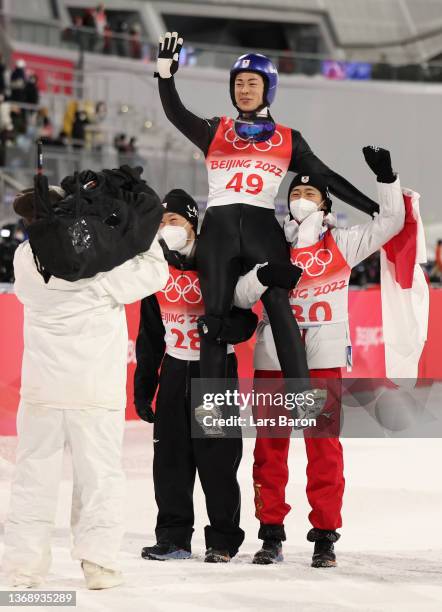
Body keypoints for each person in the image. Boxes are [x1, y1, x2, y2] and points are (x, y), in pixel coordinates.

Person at [155, 32, 380, 408]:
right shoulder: (216, 130)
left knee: (279, 303)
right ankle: (212, 410)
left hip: (262, 229)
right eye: (238, 84)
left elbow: (328, 178)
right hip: (220, 233)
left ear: (268, 88)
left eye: (252, 83)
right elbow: (177, 114)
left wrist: (372, 207)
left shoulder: (289, 139)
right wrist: (165, 76)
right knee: (214, 317)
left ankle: (301, 396)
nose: (243, 90)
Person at [234, 146, 406, 567]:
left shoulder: (343, 244)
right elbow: (238, 295)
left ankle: (325, 534)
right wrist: (261, 276)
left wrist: (386, 180)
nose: (302, 201)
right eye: (296, 194)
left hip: (323, 358)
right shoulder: (270, 245)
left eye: (311, 196)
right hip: (274, 356)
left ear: (326, 206)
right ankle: (271, 532)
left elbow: (391, 222)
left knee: (323, 449)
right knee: (269, 450)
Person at [2, 181, 168, 589]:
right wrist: (139, 227)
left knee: (32, 478)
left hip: (42, 391)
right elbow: (155, 272)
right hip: (94, 390)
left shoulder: (26, 258)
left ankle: (24, 567)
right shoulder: (96, 258)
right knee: (100, 479)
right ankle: (99, 564)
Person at [135, 189, 257, 563]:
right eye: (160, 223)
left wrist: (220, 329)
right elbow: (150, 335)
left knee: (217, 458)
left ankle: (222, 539)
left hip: (214, 372)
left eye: (173, 221)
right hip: (174, 370)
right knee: (170, 459)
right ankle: (173, 538)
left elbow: (246, 319)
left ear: (192, 224)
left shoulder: (219, 262)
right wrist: (144, 388)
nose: (165, 229)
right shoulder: (157, 269)